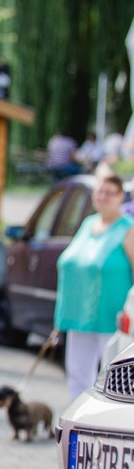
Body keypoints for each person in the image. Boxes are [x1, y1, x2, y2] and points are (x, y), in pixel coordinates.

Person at [55, 169, 134, 400]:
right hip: (79, 314)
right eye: (100, 192)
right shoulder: (88, 223)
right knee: (77, 374)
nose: (103, 197)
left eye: (110, 193)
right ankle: (79, 415)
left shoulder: (128, 228)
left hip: (113, 317)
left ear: (121, 197)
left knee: (111, 377)